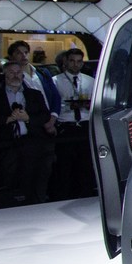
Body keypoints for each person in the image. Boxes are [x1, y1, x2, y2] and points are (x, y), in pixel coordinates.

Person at [0, 60, 54, 205]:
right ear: (4, 75)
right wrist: (8, 119)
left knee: (34, 183)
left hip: (33, 146)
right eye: (11, 72)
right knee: (8, 185)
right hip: (5, 147)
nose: (15, 76)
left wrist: (28, 118)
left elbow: (45, 116)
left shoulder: (34, 94)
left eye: (18, 72)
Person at [50, 48, 96, 199]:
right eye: (72, 61)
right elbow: (53, 104)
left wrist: (88, 105)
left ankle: (85, 194)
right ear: (66, 62)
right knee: (65, 165)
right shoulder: (55, 81)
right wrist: (68, 106)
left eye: (78, 61)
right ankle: (64, 195)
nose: (75, 64)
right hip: (66, 125)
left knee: (85, 164)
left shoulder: (90, 81)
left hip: (85, 124)